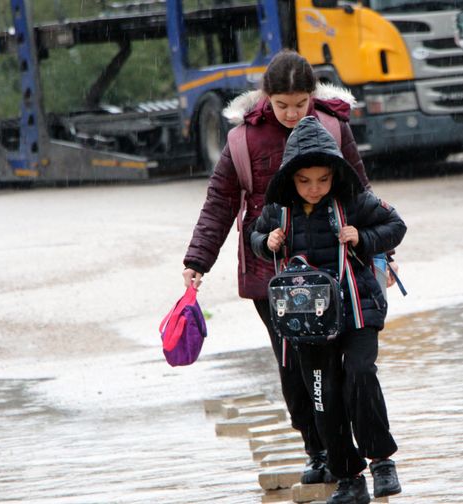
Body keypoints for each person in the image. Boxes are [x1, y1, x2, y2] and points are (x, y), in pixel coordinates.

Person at [181, 50, 372, 484]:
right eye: (282, 105)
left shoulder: (332, 127)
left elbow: (360, 192)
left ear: (312, 96)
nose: (291, 114)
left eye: (300, 104)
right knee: (293, 367)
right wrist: (197, 260)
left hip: (333, 271)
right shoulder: (242, 142)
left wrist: (374, 246)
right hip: (272, 279)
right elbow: (220, 203)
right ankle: (317, 450)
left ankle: (346, 453)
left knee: (337, 366)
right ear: (267, 98)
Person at [250, 116, 406, 504]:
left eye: (323, 179)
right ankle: (349, 478)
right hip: (307, 324)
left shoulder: (353, 201)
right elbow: (253, 236)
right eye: (305, 181)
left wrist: (363, 238)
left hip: (357, 313)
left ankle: (382, 460)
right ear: (290, 178)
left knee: (359, 374)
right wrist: (265, 241)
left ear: (335, 173)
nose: (315, 188)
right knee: (323, 396)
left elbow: (396, 225)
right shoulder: (277, 211)